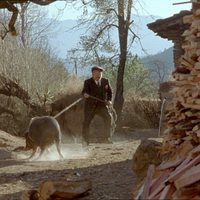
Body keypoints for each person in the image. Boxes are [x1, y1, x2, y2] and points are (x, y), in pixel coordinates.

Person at [81, 66, 113, 147]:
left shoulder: (105, 81)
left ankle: (106, 138)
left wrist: (109, 100)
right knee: (86, 123)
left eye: (100, 73)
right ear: (93, 74)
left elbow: (110, 92)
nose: (99, 75)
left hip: (102, 106)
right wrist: (85, 94)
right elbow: (83, 92)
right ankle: (85, 141)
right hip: (90, 107)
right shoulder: (87, 82)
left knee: (108, 118)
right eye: (97, 73)